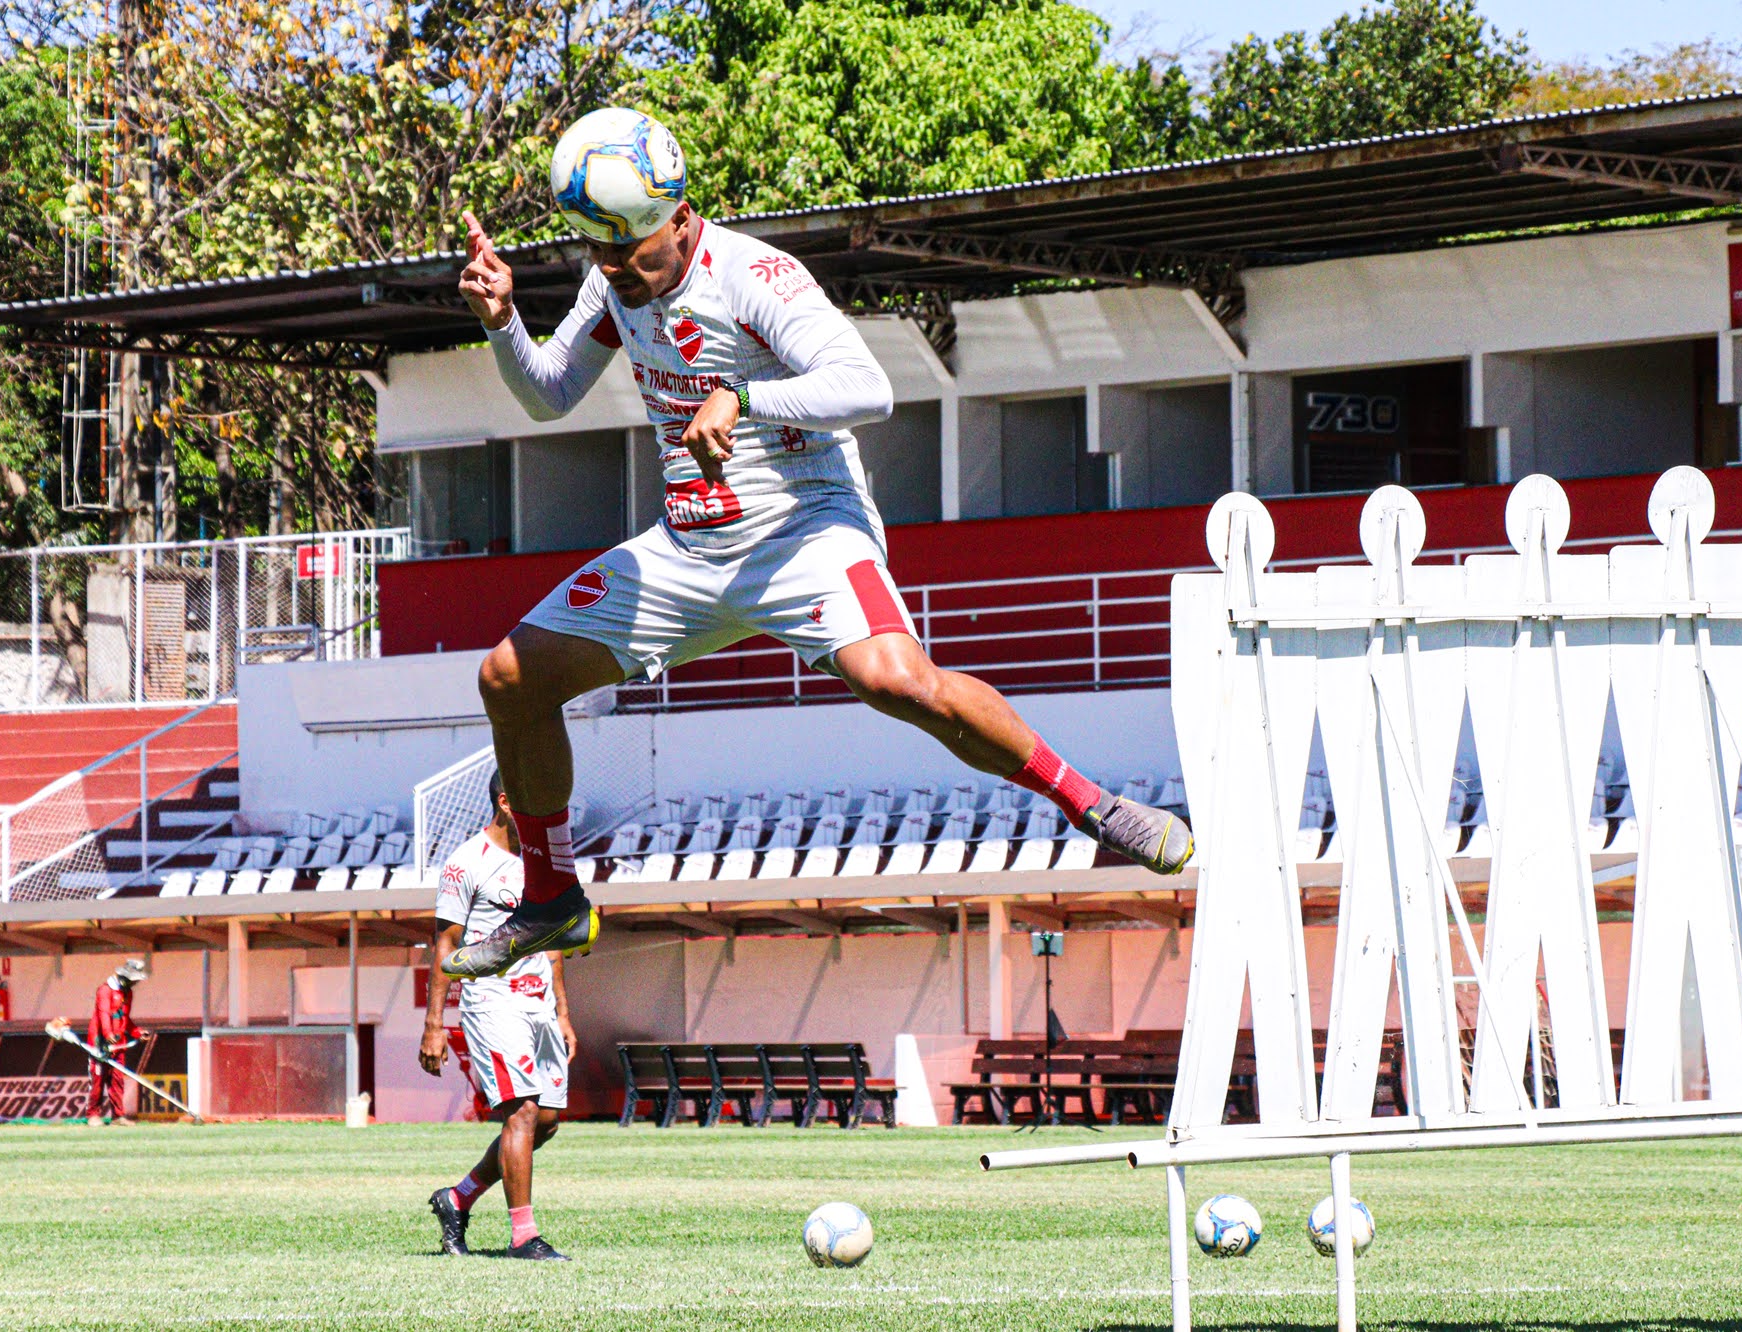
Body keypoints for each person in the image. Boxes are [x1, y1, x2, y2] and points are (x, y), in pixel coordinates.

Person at [442, 108, 1194, 980]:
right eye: (601, 254)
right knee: (508, 678)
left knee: (898, 682)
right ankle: (553, 898)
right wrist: (501, 324)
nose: (618, 271)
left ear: (681, 217)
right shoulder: (612, 281)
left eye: (634, 252)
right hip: (690, 548)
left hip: (806, 530)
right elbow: (549, 396)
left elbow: (866, 387)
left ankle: (1093, 805)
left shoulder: (755, 275)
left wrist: (744, 399)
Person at [421, 771, 576, 1261]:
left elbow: (553, 939)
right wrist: (433, 1025)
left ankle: (458, 1197)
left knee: (546, 1121)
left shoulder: (545, 863)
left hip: (539, 1004)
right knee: (522, 1112)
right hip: (492, 1000)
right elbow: (446, 944)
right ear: (507, 803)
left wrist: (565, 1011)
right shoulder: (466, 863)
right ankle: (524, 1238)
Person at [86, 957, 146, 1126]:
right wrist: (107, 1033)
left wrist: (137, 1032)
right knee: (98, 1079)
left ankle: (118, 1116)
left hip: (119, 1044)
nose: (135, 984)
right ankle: (93, 1115)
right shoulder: (104, 990)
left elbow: (125, 1018)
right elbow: (103, 1014)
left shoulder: (128, 993)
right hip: (99, 1044)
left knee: (117, 1080)